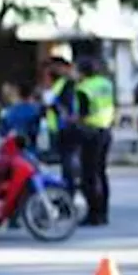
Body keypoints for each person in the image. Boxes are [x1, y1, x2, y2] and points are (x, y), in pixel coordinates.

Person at [77, 56, 115, 226]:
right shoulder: (106, 84)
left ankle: (93, 213)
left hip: (90, 132)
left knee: (89, 175)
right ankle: (103, 212)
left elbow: (82, 114)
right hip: (106, 130)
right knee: (101, 172)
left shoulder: (84, 88)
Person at [44, 57, 83, 196]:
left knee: (69, 162)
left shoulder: (68, 84)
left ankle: (70, 191)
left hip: (67, 128)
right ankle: (70, 189)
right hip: (61, 127)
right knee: (67, 161)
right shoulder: (60, 83)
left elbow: (62, 106)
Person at [0, 81, 43, 148]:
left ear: (17, 93)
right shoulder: (35, 111)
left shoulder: (7, 112)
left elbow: (2, 133)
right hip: (30, 149)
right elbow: (37, 131)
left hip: (13, 151)